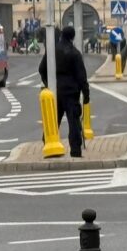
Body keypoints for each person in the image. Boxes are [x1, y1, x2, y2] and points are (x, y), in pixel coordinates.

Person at [38, 25, 90, 157]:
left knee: (54, 119)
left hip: (55, 91)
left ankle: (48, 142)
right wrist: (86, 93)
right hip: (71, 93)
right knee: (73, 122)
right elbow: (81, 76)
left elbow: (41, 68)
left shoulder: (52, 51)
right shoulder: (74, 53)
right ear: (72, 37)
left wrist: (48, 83)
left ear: (61, 35)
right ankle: (75, 150)